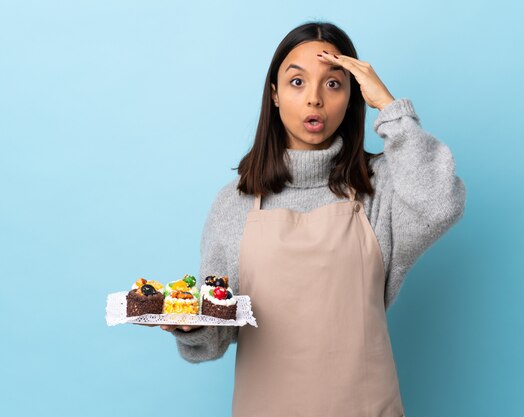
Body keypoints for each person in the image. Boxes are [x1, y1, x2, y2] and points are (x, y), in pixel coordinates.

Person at [161, 21, 465, 416]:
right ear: (274, 95)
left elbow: (441, 203)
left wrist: (390, 109)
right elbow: (216, 332)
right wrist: (194, 326)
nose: (315, 100)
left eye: (334, 84)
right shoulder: (234, 203)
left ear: (353, 96)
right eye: (297, 82)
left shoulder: (383, 189)